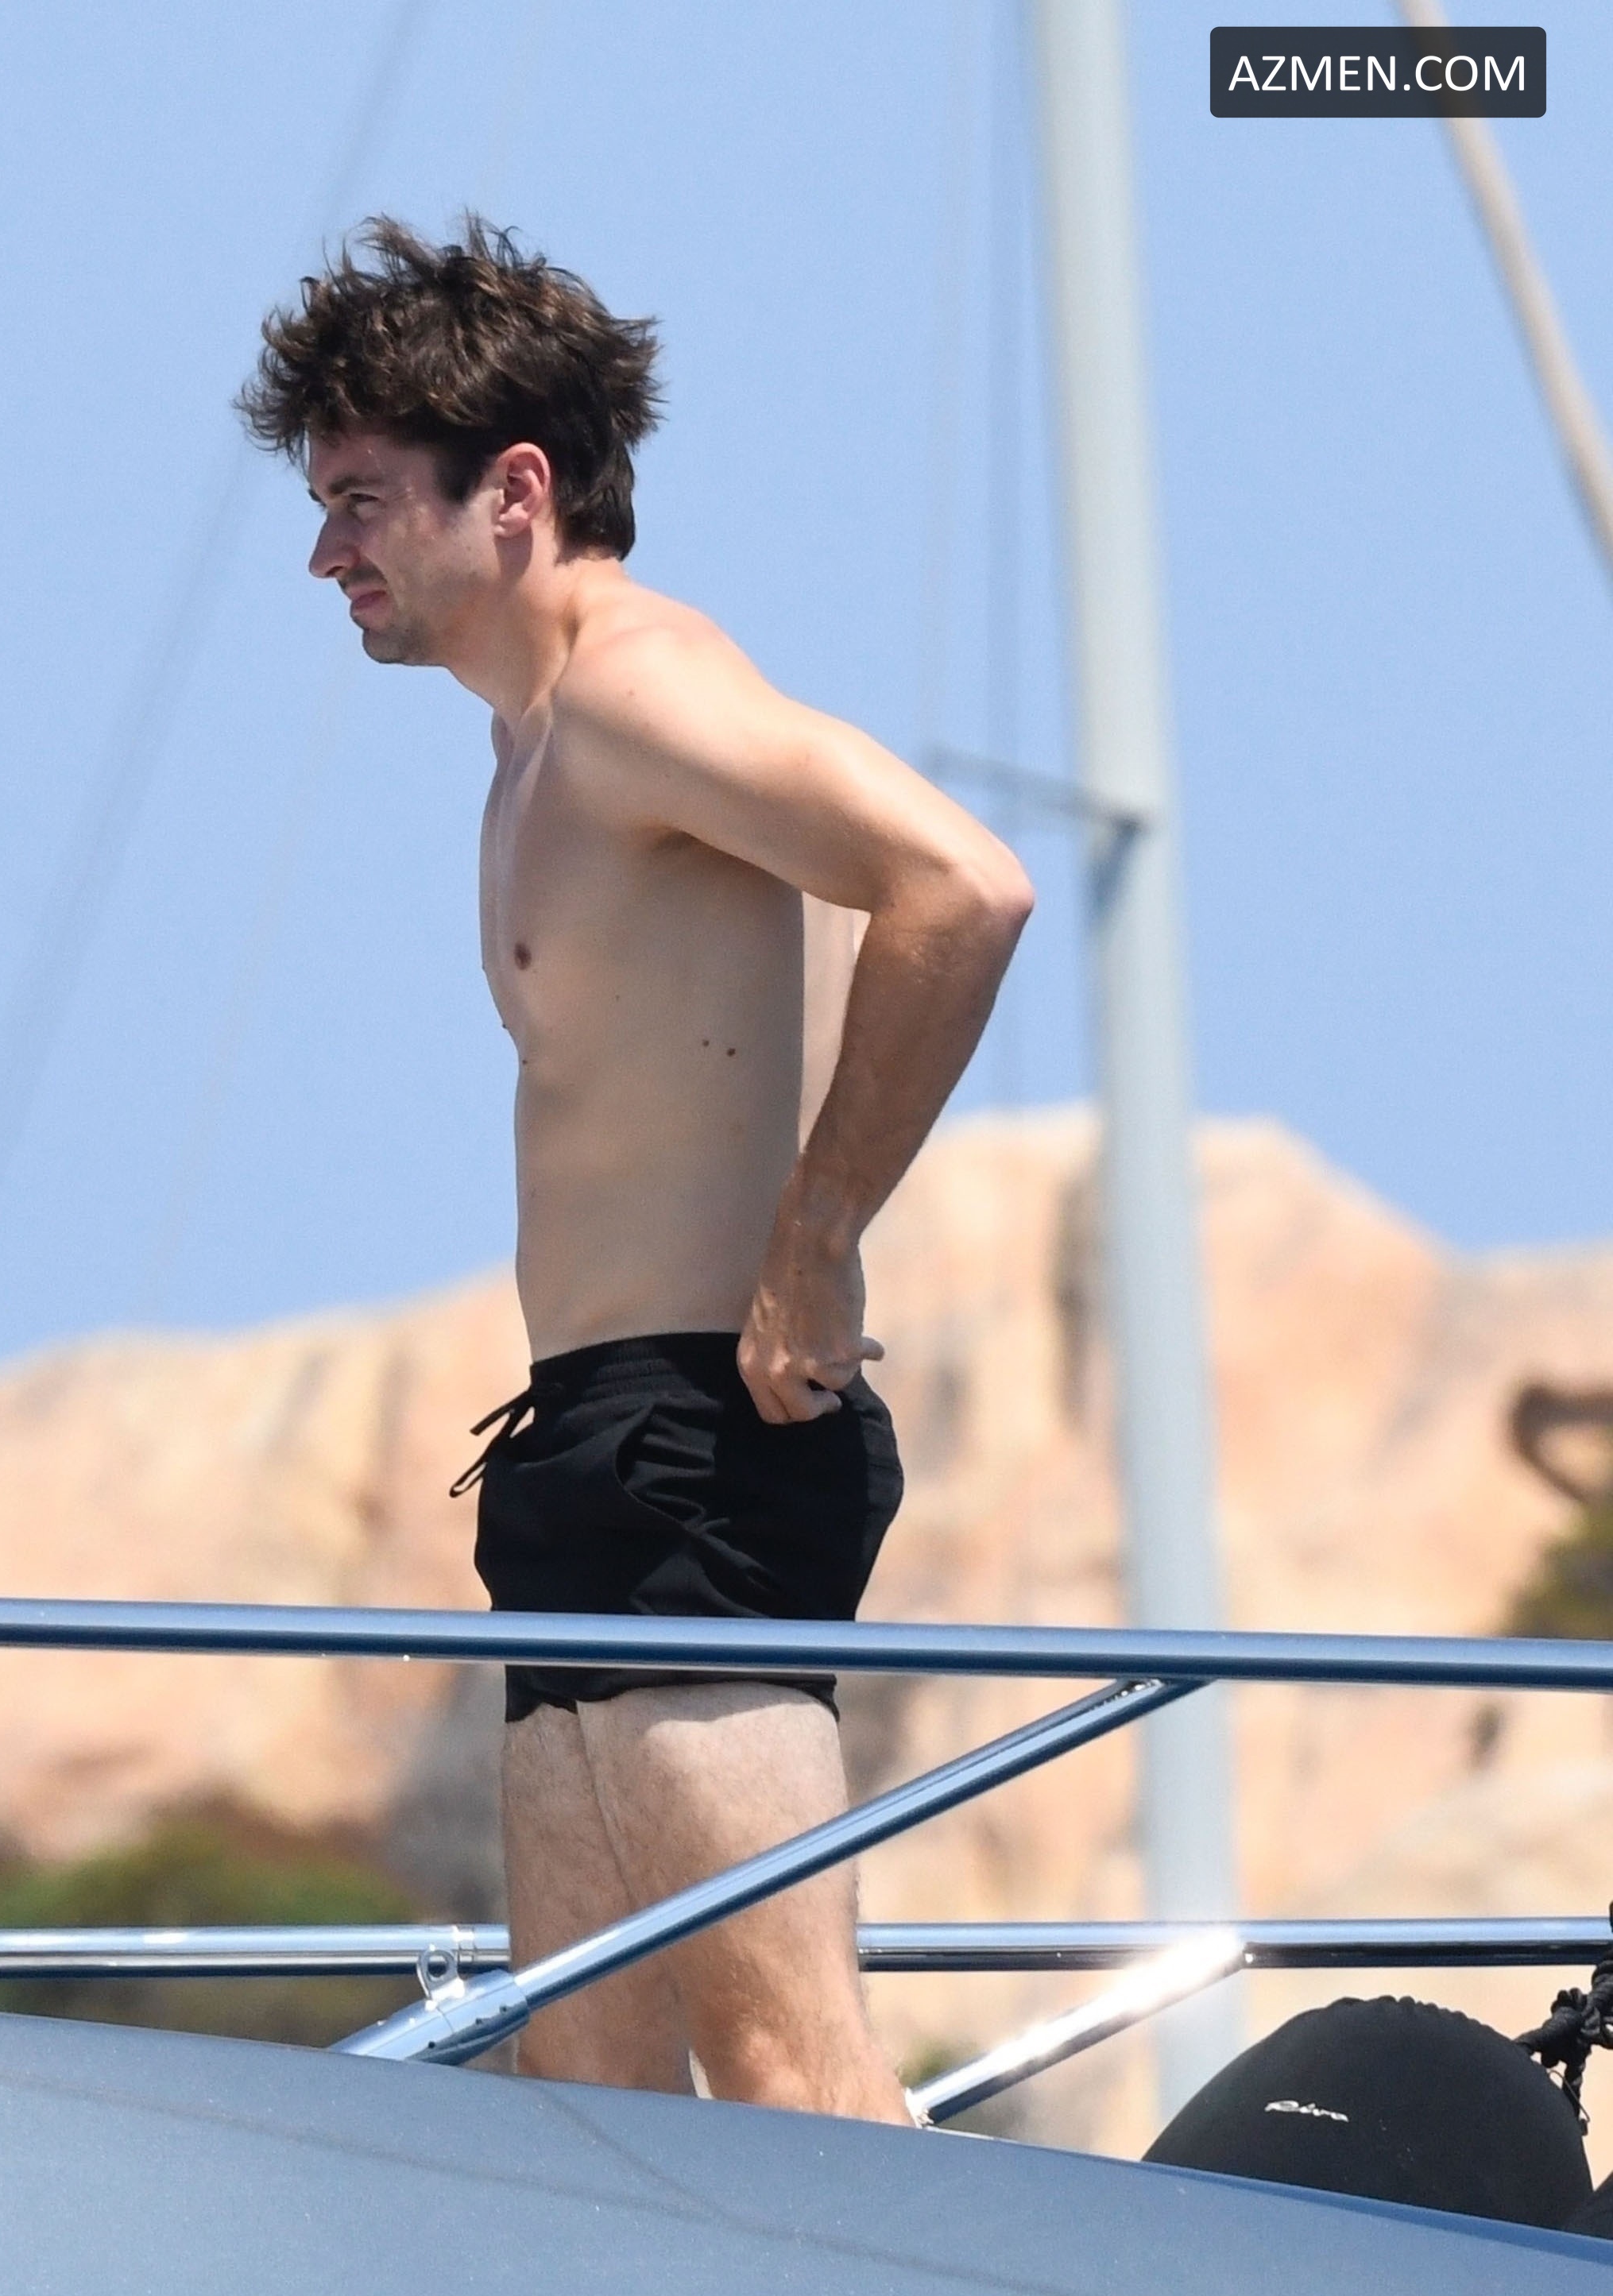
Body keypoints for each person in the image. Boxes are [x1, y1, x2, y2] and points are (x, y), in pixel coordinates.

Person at [240, 217, 1033, 2124]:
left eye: (359, 500)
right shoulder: (526, 742)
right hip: (584, 1450)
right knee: (577, 2094)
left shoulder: (637, 693)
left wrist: (817, 1241)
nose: (326, 552)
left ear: (512, 492)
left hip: (704, 1444)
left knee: (787, 2076)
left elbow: (961, 886)